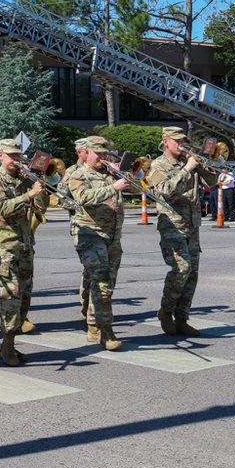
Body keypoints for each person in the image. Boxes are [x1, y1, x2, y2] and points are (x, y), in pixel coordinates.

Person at [0, 139, 49, 366]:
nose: (16, 160)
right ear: (1, 155)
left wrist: (38, 186)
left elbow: (42, 207)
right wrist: (28, 195)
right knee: (11, 296)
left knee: (25, 296)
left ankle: (9, 343)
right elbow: (1, 208)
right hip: (4, 247)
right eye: (11, 156)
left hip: (25, 245)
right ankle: (8, 344)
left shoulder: (24, 179)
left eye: (19, 156)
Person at [145, 127, 217, 338]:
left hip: (192, 224)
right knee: (181, 269)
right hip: (172, 224)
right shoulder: (157, 165)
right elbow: (165, 191)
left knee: (192, 273)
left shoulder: (190, 161)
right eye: (177, 141)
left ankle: (182, 318)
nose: (182, 144)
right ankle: (166, 311)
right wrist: (187, 169)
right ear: (166, 141)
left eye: (183, 140)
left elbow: (212, 182)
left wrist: (203, 164)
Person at [68, 136, 131, 350]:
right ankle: (106, 331)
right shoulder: (78, 175)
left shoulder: (110, 174)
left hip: (112, 236)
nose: (103, 157)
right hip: (89, 234)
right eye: (98, 153)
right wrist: (114, 186)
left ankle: (94, 323)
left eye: (105, 153)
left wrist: (124, 175)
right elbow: (83, 197)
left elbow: (138, 187)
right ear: (86, 153)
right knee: (102, 281)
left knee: (107, 284)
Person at [60, 137, 92, 336]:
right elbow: (62, 199)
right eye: (87, 150)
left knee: (96, 268)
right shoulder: (71, 173)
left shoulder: (99, 170)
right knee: (91, 266)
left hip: (101, 226)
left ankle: (91, 305)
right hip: (81, 225)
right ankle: (86, 305)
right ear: (80, 152)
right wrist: (81, 205)